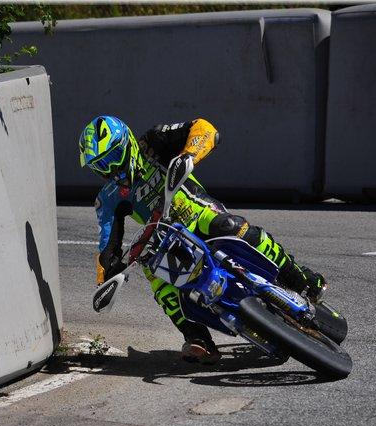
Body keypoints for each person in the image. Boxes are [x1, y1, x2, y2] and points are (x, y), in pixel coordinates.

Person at [79, 115, 326, 364]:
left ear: (127, 144)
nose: (110, 171)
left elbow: (205, 129)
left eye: (111, 159)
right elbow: (107, 243)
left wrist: (188, 155)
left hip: (198, 213)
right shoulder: (108, 197)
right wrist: (108, 274)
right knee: (156, 278)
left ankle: (300, 278)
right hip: (162, 238)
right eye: (100, 166)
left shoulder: (154, 141)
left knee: (235, 227)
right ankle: (196, 338)